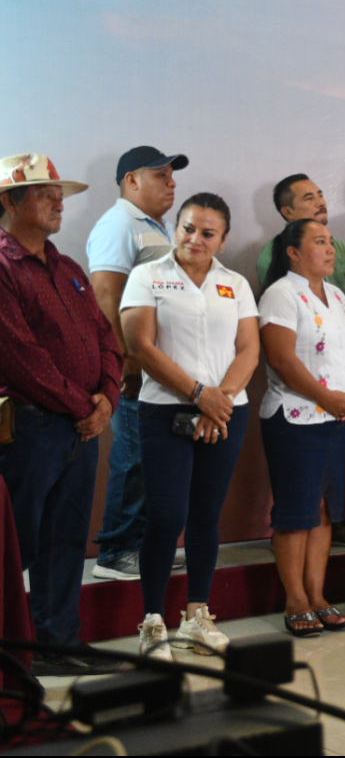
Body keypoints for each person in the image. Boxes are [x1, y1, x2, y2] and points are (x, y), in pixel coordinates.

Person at [0, 154, 124, 676]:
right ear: (10, 202)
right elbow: (18, 355)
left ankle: (59, 641)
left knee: (68, 536)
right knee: (18, 544)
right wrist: (85, 406)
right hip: (32, 425)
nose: (58, 202)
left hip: (80, 426)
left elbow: (104, 338)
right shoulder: (4, 268)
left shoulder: (68, 267)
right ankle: (13, 652)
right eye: (45, 193)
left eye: (59, 193)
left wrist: (108, 398)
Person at [121, 193, 259, 659]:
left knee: (205, 515)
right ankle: (153, 622)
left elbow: (249, 350)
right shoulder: (149, 276)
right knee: (165, 516)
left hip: (226, 413)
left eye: (207, 233)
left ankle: (197, 617)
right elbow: (141, 346)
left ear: (223, 238)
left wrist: (217, 403)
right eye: (187, 228)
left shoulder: (235, 283)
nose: (194, 239)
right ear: (175, 228)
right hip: (165, 410)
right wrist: (200, 395)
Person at [259, 219, 345, 636]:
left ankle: (318, 595)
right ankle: (295, 599)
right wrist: (327, 398)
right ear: (293, 252)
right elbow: (282, 360)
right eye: (319, 242)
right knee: (296, 511)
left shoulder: (337, 294)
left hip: (335, 415)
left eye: (331, 242)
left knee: (323, 510)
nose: (330, 249)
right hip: (295, 416)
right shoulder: (280, 294)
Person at [86, 146, 185, 582]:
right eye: (161, 175)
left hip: (160, 367)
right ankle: (118, 550)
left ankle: (144, 543)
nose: (172, 183)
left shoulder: (155, 227)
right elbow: (106, 294)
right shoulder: (118, 224)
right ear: (131, 180)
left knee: (153, 456)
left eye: (171, 176)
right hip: (134, 368)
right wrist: (123, 360)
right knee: (133, 456)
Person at [256, 174, 345, 304]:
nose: (321, 203)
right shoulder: (272, 251)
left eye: (321, 196)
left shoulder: (341, 248)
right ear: (288, 212)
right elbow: (276, 302)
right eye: (309, 198)